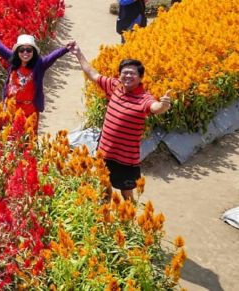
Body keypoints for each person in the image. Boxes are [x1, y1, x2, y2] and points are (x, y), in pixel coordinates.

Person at [69, 46, 172, 201]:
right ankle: (103, 215)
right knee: (104, 186)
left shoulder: (144, 98)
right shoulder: (115, 85)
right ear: (120, 74)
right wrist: (78, 53)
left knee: (126, 194)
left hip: (125, 159)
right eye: (125, 72)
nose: (128, 75)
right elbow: (92, 73)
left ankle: (127, 221)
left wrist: (163, 105)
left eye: (133, 73)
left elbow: (155, 108)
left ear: (140, 77)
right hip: (104, 151)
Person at [0, 29, 74, 133]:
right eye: (22, 50)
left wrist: (65, 48)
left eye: (29, 50)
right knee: (9, 138)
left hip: (30, 111)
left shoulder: (39, 64)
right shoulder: (13, 60)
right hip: (11, 109)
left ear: (34, 51)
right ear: (17, 51)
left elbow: (53, 56)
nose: (25, 53)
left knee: (28, 141)